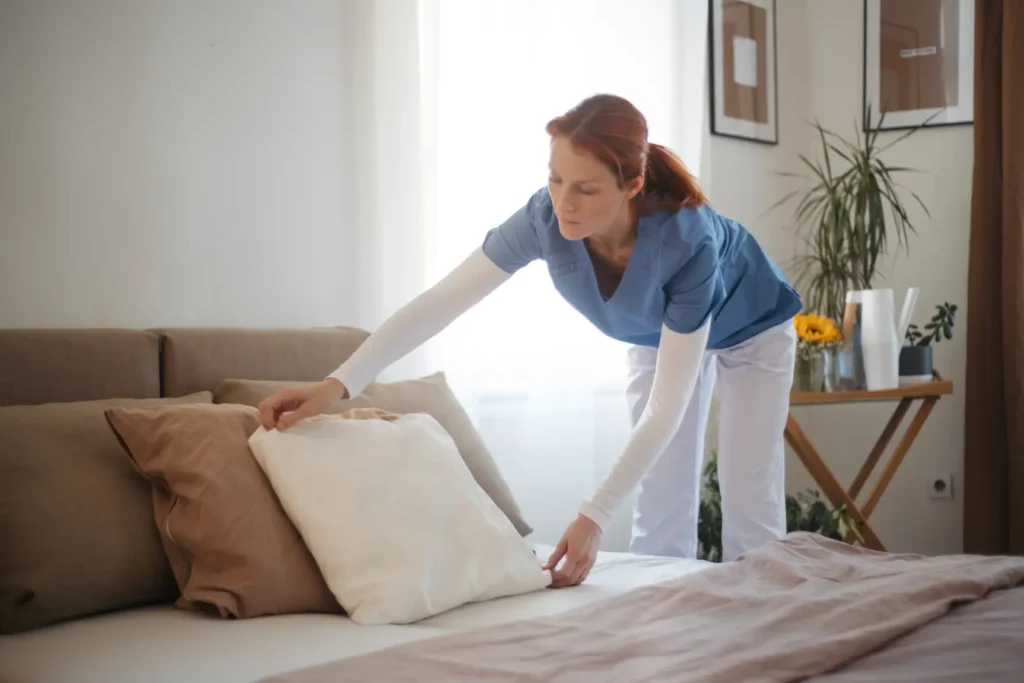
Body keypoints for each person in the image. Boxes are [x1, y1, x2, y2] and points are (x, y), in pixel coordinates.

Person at [258, 93, 802, 588]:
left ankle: (765, 619)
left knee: (748, 497)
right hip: (659, 335)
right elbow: (440, 303)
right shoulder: (542, 219)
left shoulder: (687, 242)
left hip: (753, 329)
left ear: (632, 186)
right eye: (556, 179)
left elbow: (670, 404)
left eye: (586, 189)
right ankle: (662, 624)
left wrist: (592, 516)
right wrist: (336, 385)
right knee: (660, 497)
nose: (564, 202)